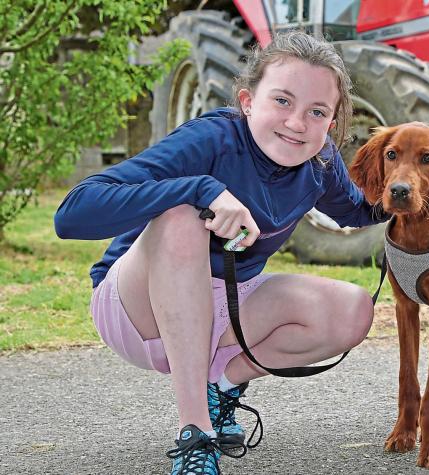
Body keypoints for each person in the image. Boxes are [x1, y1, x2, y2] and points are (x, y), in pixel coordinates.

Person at [54, 31, 386, 475]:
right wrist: (201, 189)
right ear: (248, 100)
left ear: (332, 122)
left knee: (352, 309)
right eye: (282, 101)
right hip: (140, 312)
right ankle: (196, 434)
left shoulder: (320, 163)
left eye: (317, 112)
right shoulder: (211, 138)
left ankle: (223, 385)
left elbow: (365, 211)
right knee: (180, 218)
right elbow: (72, 215)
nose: (297, 123)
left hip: (226, 311)